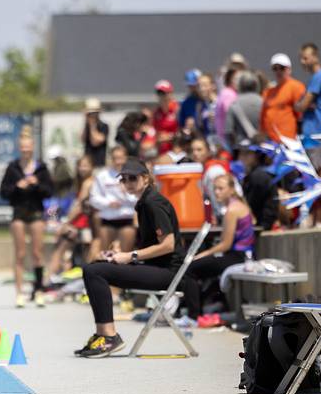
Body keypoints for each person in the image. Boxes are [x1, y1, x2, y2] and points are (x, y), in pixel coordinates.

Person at [77, 159, 186, 358]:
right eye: (124, 179)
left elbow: (168, 245)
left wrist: (130, 256)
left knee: (94, 271)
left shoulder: (153, 202)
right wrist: (118, 255)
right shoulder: (144, 202)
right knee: (96, 267)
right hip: (155, 267)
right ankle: (102, 333)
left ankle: (109, 336)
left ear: (145, 178)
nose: (127, 183)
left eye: (132, 178)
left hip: (167, 273)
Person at [182, 174, 254, 318]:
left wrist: (200, 255)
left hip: (238, 256)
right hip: (242, 255)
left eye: (221, 188)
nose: (217, 192)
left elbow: (225, 245)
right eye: (215, 189)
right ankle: (203, 308)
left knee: (190, 268)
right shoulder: (240, 205)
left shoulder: (232, 210)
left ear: (232, 190)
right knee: (200, 267)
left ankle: (193, 316)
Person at [0, 127, 54, 308]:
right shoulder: (13, 168)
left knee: (37, 253)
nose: (25, 150)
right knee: (20, 253)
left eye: (28, 147)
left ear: (33, 147)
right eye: (23, 147)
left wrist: (36, 184)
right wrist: (17, 186)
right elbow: (3, 192)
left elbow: (49, 191)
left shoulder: (41, 168)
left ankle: (38, 290)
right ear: (19, 148)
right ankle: (19, 293)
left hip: (36, 212)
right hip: (19, 213)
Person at [296, 42, 321, 225]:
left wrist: (301, 104)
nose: (303, 61)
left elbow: (302, 105)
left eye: (306, 57)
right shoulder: (319, 78)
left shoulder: (319, 77)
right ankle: (319, 220)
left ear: (315, 57)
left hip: (316, 136)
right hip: (315, 136)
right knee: (317, 181)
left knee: (320, 181)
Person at [48, 155, 95, 276]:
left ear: (92, 167)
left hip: (84, 225)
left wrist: (65, 223)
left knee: (60, 249)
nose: (82, 169)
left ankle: (49, 279)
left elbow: (79, 206)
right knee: (69, 251)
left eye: (85, 165)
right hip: (81, 224)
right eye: (80, 166)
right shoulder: (81, 183)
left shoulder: (88, 183)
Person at [88, 145, 137, 260]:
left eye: (120, 158)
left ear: (126, 158)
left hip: (126, 219)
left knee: (126, 256)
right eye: (115, 158)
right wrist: (108, 203)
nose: (118, 161)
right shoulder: (102, 176)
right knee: (105, 255)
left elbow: (138, 199)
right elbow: (93, 198)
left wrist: (126, 194)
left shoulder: (133, 176)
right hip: (108, 219)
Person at [260, 53, 306, 142]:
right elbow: (263, 115)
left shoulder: (296, 87)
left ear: (289, 69)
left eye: (282, 68)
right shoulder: (268, 91)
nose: (278, 71)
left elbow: (301, 114)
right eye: (275, 68)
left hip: (288, 140)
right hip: (269, 141)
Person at [239, 140, 278, 231]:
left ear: (256, 155)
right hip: (259, 226)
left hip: (262, 227)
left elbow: (253, 204)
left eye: (248, 153)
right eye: (241, 153)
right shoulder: (253, 174)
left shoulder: (258, 176)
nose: (244, 157)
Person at [225, 71, 263, 149]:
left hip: (242, 150)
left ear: (240, 85)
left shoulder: (234, 104)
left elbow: (228, 131)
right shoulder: (264, 103)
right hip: (261, 148)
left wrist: (234, 150)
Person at [152, 80, 179, 155]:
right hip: (162, 151)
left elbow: (183, 130)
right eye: (159, 93)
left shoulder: (177, 110)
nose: (162, 96)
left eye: (164, 93)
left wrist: (169, 136)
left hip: (177, 150)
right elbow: (156, 132)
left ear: (170, 94)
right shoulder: (157, 113)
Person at [215, 68, 240, 149]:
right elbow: (231, 114)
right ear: (229, 80)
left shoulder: (227, 92)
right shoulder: (228, 94)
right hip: (228, 139)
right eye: (236, 79)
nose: (239, 81)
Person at [81, 98, 109, 167]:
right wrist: (86, 122)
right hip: (88, 164)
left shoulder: (104, 126)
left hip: (99, 163)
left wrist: (92, 126)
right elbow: (82, 139)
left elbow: (95, 142)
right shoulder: (87, 126)